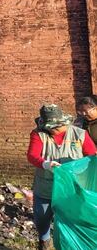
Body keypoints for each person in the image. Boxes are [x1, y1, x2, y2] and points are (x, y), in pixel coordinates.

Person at [27, 103, 96, 250]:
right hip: (46, 186)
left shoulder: (79, 134)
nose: (51, 130)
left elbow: (91, 157)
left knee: (70, 221)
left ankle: (69, 245)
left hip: (71, 188)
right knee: (42, 218)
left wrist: (78, 169)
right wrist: (45, 164)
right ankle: (45, 242)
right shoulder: (38, 134)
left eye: (55, 127)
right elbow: (32, 155)